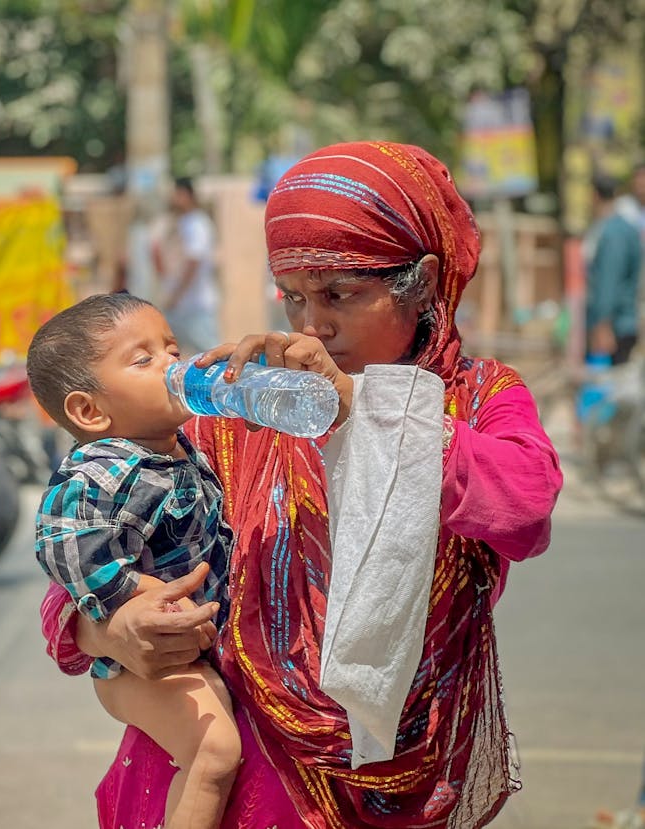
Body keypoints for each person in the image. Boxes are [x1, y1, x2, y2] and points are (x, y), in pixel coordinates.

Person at [39, 141, 563, 828]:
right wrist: (109, 630)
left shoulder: (477, 397)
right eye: (292, 296)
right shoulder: (245, 410)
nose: (312, 325)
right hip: (240, 782)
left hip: (404, 774)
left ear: (424, 282)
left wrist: (365, 415)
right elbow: (77, 570)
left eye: (339, 294)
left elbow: (526, 508)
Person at [27, 293, 240, 829]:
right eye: (143, 359)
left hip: (185, 647)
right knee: (214, 751)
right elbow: (61, 542)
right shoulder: (101, 470)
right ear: (89, 411)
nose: (173, 363)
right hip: (133, 664)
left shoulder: (178, 446)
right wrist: (132, 599)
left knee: (212, 740)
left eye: (171, 347)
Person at [153, 177, 221, 353]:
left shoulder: (197, 224)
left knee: (212, 355)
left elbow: (193, 262)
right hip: (179, 305)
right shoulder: (180, 222)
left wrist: (176, 295)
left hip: (195, 305)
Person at [586, 173, 643, 365]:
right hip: (620, 322)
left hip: (615, 325)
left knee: (610, 387)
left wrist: (602, 324)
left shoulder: (613, 233)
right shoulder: (623, 228)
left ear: (594, 196)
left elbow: (609, 280)